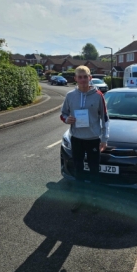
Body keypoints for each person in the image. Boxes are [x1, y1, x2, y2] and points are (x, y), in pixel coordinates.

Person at [60, 66, 109, 210]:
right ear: (75, 78)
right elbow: (63, 113)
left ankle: (95, 200)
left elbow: (105, 118)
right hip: (77, 139)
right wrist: (66, 119)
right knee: (78, 171)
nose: (82, 80)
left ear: (90, 78)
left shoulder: (98, 95)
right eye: (79, 77)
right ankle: (80, 199)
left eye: (85, 77)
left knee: (94, 171)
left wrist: (104, 139)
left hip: (93, 139)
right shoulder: (70, 96)